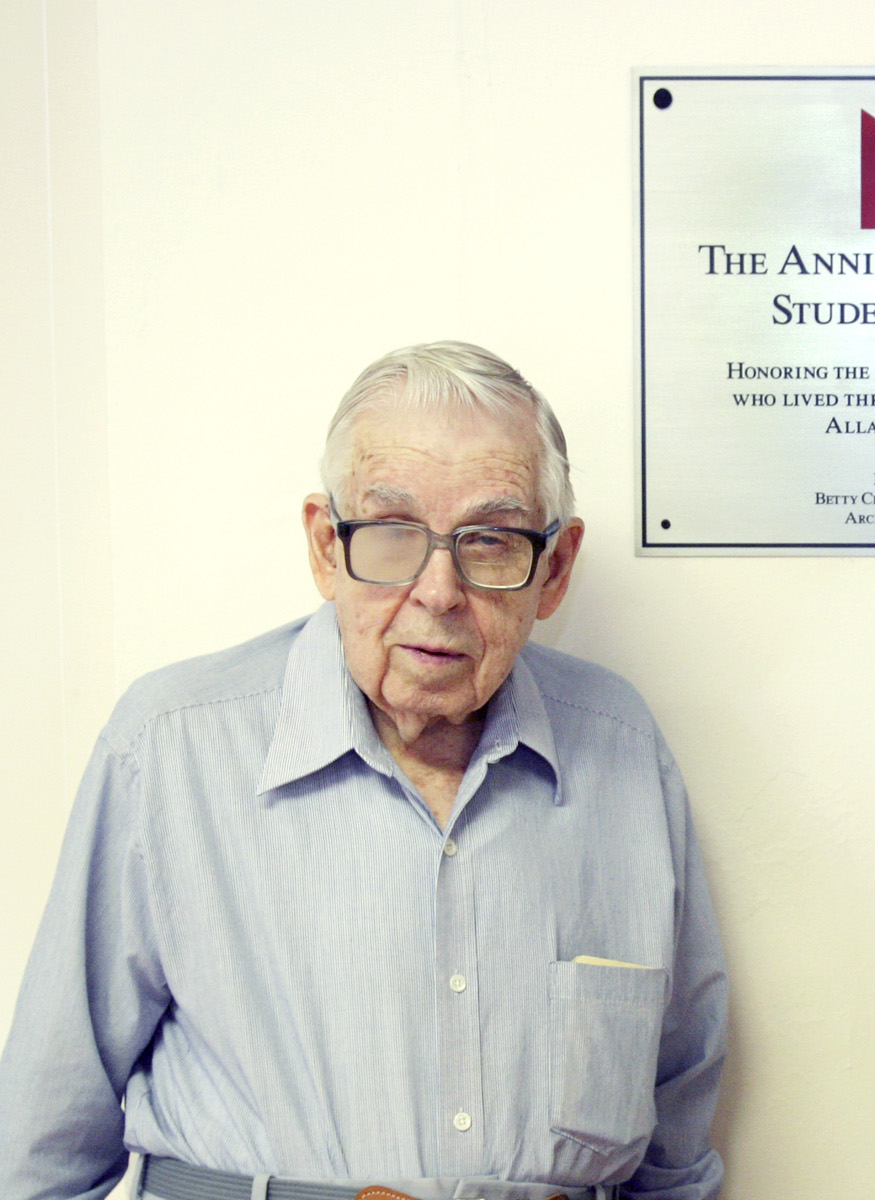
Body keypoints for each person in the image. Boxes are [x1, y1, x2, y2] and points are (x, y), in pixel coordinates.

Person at [0, 343, 727, 1200]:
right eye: (391, 535)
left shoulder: (623, 749)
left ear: (555, 567)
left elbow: (675, 1142)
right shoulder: (169, 747)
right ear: (323, 545)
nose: (438, 591)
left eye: (490, 541)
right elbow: (40, 1149)